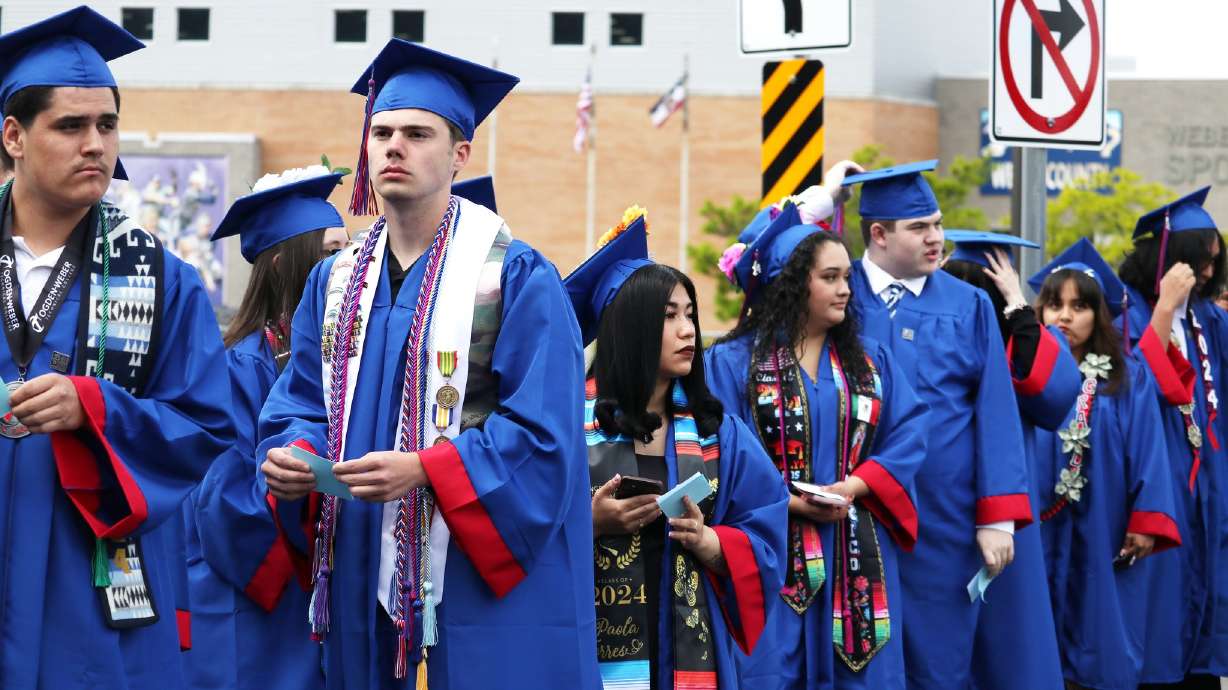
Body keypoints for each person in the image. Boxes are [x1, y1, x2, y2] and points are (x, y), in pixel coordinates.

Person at [257, 39, 600, 689]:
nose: (393, 146)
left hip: (472, 581)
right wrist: (292, 451)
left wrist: (426, 469)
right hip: (360, 565)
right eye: (381, 132)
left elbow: (545, 438)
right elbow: (300, 399)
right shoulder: (334, 283)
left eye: (417, 133)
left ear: (460, 153)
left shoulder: (514, 277)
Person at [0, 6, 233, 687]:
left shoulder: (161, 279)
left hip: (92, 578)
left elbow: (207, 426)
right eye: (70, 126)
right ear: (13, 135)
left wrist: (94, 408)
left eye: (107, 125)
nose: (96, 144)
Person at [705, 199, 928, 689]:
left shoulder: (870, 362)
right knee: (770, 667)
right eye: (830, 277)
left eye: (847, 277)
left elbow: (909, 434)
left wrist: (855, 485)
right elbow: (716, 453)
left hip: (853, 542)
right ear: (792, 283)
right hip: (771, 545)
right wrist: (786, 502)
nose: (846, 289)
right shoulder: (733, 363)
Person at [565, 208, 787, 689]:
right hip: (587, 647)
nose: (688, 331)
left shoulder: (716, 432)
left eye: (690, 315)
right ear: (628, 329)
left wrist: (713, 543)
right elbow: (525, 526)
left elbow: (767, 529)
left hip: (685, 646)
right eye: (669, 317)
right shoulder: (567, 425)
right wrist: (590, 522)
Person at [841, 161, 1034, 690]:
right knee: (857, 658)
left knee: (939, 661)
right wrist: (819, 197)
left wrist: (998, 516)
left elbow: (995, 412)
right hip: (855, 513)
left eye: (938, 223)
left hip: (942, 519)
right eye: (920, 227)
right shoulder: (837, 292)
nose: (937, 238)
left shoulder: (967, 303)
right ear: (878, 234)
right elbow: (757, 266)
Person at [184, 164, 350, 689]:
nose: (348, 265)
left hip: (327, 580)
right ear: (282, 264)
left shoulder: (346, 361)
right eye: (330, 253)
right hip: (263, 591)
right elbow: (222, 495)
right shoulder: (238, 369)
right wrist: (305, 500)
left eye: (351, 250)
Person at [1027, 238, 1181, 689]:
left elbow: (1148, 448)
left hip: (1104, 521)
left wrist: (1146, 518)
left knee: (1101, 629)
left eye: (1079, 306)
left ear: (1099, 315)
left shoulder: (1125, 378)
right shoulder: (1025, 373)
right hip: (1039, 522)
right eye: (1055, 304)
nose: (1065, 317)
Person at [942, 231, 1078, 690]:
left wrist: (1020, 306)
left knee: (1003, 634)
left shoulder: (1014, 358)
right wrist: (1016, 302)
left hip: (996, 514)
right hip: (966, 514)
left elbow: (1056, 393)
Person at [1116, 188, 1228, 688]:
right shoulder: (1129, 312)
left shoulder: (1209, 319)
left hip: (1210, 476)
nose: (1207, 274)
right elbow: (1138, 379)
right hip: (1159, 470)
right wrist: (1164, 310)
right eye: (1199, 261)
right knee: (1163, 594)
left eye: (1213, 263)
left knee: (1210, 579)